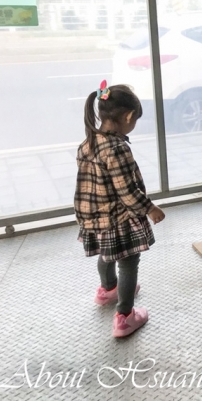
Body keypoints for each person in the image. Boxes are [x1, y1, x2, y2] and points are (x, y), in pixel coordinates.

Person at [75, 81, 165, 337]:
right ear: (127, 116)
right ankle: (125, 316)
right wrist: (151, 208)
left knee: (107, 254)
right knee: (128, 262)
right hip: (118, 218)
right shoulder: (117, 148)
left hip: (93, 216)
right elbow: (126, 191)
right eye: (134, 120)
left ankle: (107, 290)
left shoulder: (87, 143)